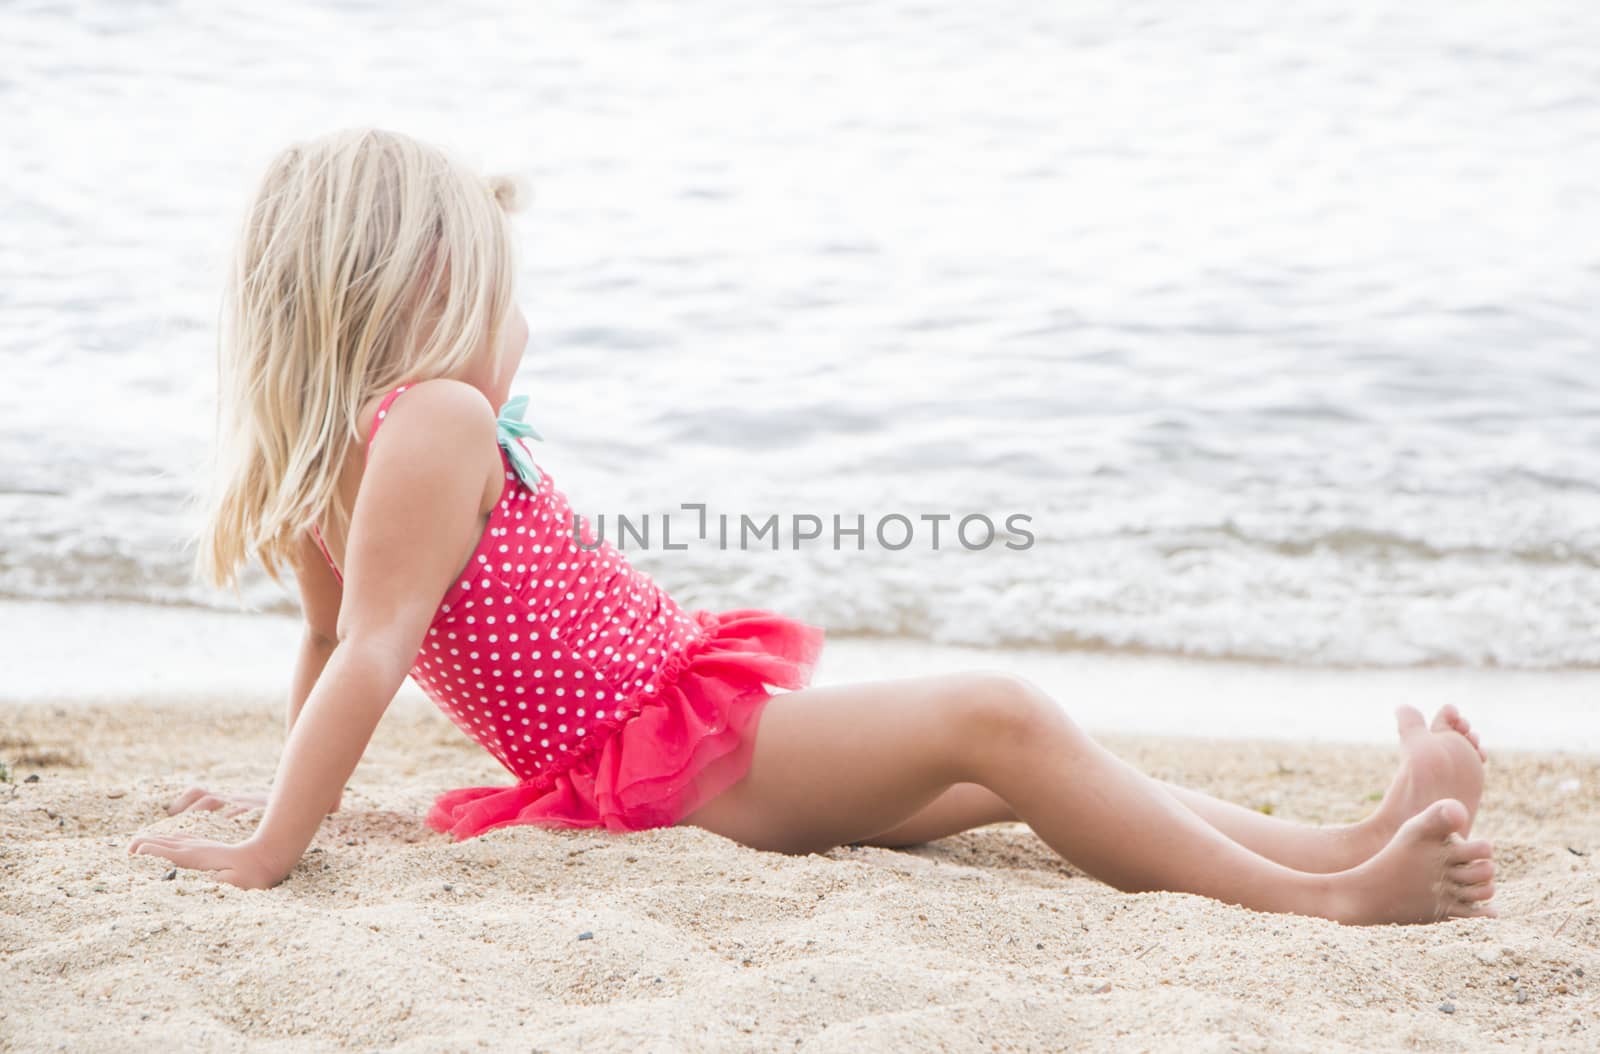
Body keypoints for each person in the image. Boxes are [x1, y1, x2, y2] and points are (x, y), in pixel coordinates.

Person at [129, 128, 1496, 925]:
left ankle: (1329, 845)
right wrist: (270, 844)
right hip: (678, 761)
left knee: (1006, 772)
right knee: (1000, 711)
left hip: (662, 751)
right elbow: (365, 654)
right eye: (502, 297)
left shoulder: (337, 458)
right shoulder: (430, 416)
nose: (521, 331)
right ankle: (1334, 904)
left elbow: (330, 643)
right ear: (416, 294)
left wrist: (278, 796)